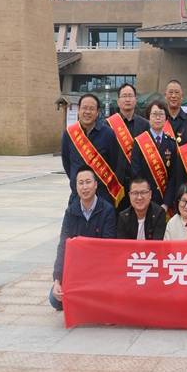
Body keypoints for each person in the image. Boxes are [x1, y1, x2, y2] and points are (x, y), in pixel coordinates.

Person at [49, 166, 116, 311]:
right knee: (55, 300)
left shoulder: (107, 210)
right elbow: (63, 246)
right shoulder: (71, 212)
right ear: (76, 186)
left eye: (88, 182)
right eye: (81, 183)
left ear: (96, 184)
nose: (85, 187)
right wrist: (57, 280)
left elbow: (108, 248)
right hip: (77, 272)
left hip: (99, 271)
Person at [60, 93, 121, 207]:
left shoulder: (108, 133)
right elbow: (67, 162)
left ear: (97, 112)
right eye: (84, 108)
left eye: (91, 109)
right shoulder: (69, 134)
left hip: (102, 196)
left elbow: (114, 162)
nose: (87, 112)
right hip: (78, 196)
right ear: (79, 110)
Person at [130, 99, 179, 211]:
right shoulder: (140, 142)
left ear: (166, 118)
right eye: (154, 114)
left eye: (161, 114)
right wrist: (144, 197)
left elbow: (173, 176)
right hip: (144, 200)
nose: (158, 118)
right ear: (148, 117)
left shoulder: (171, 143)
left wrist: (166, 203)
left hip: (165, 203)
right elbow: (136, 172)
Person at [107, 83, 150, 209]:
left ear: (135, 100)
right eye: (124, 96)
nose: (127, 99)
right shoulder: (108, 125)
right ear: (118, 101)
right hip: (116, 183)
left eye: (130, 96)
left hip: (138, 183)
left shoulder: (145, 125)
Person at [164, 79, 187, 144]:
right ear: (165, 96)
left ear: (182, 96)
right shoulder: (159, 119)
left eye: (177, 92)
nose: (173, 96)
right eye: (170, 92)